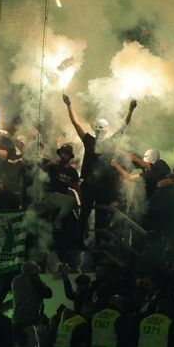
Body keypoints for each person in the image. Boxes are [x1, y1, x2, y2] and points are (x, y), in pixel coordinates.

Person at [63, 94, 137, 245]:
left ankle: (98, 246)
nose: (99, 129)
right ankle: (79, 243)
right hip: (89, 185)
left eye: (102, 127)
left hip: (103, 187)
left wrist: (130, 110)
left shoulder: (111, 143)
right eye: (97, 126)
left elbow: (124, 127)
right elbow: (75, 122)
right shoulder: (89, 140)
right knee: (83, 215)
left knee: (101, 218)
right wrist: (69, 104)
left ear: (106, 129)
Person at [10, 260, 52, 347]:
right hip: (28, 324)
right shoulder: (34, 281)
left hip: (16, 322)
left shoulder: (16, 280)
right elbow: (48, 293)